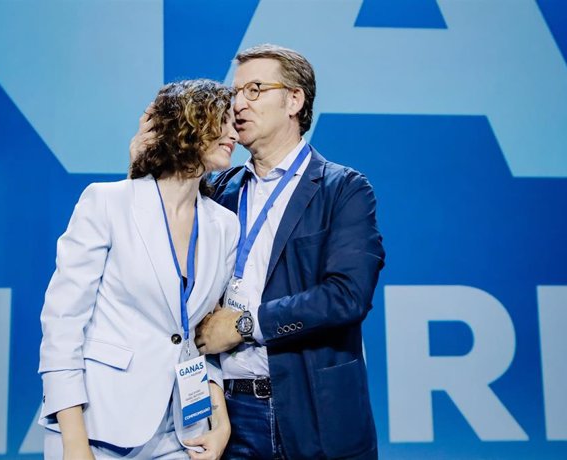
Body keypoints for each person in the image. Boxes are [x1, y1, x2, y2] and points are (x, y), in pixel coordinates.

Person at [191, 44, 386, 459]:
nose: (238, 104)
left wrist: (246, 325)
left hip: (314, 413)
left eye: (255, 89)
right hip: (228, 416)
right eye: (235, 93)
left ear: (294, 100)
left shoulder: (343, 190)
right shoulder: (218, 193)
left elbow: (346, 296)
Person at [38, 79, 240, 460]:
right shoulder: (107, 203)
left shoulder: (224, 225)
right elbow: (62, 324)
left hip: (181, 432)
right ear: (189, 124)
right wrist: (74, 441)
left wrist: (220, 419)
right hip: (98, 426)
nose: (234, 133)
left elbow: (199, 335)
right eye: (222, 121)